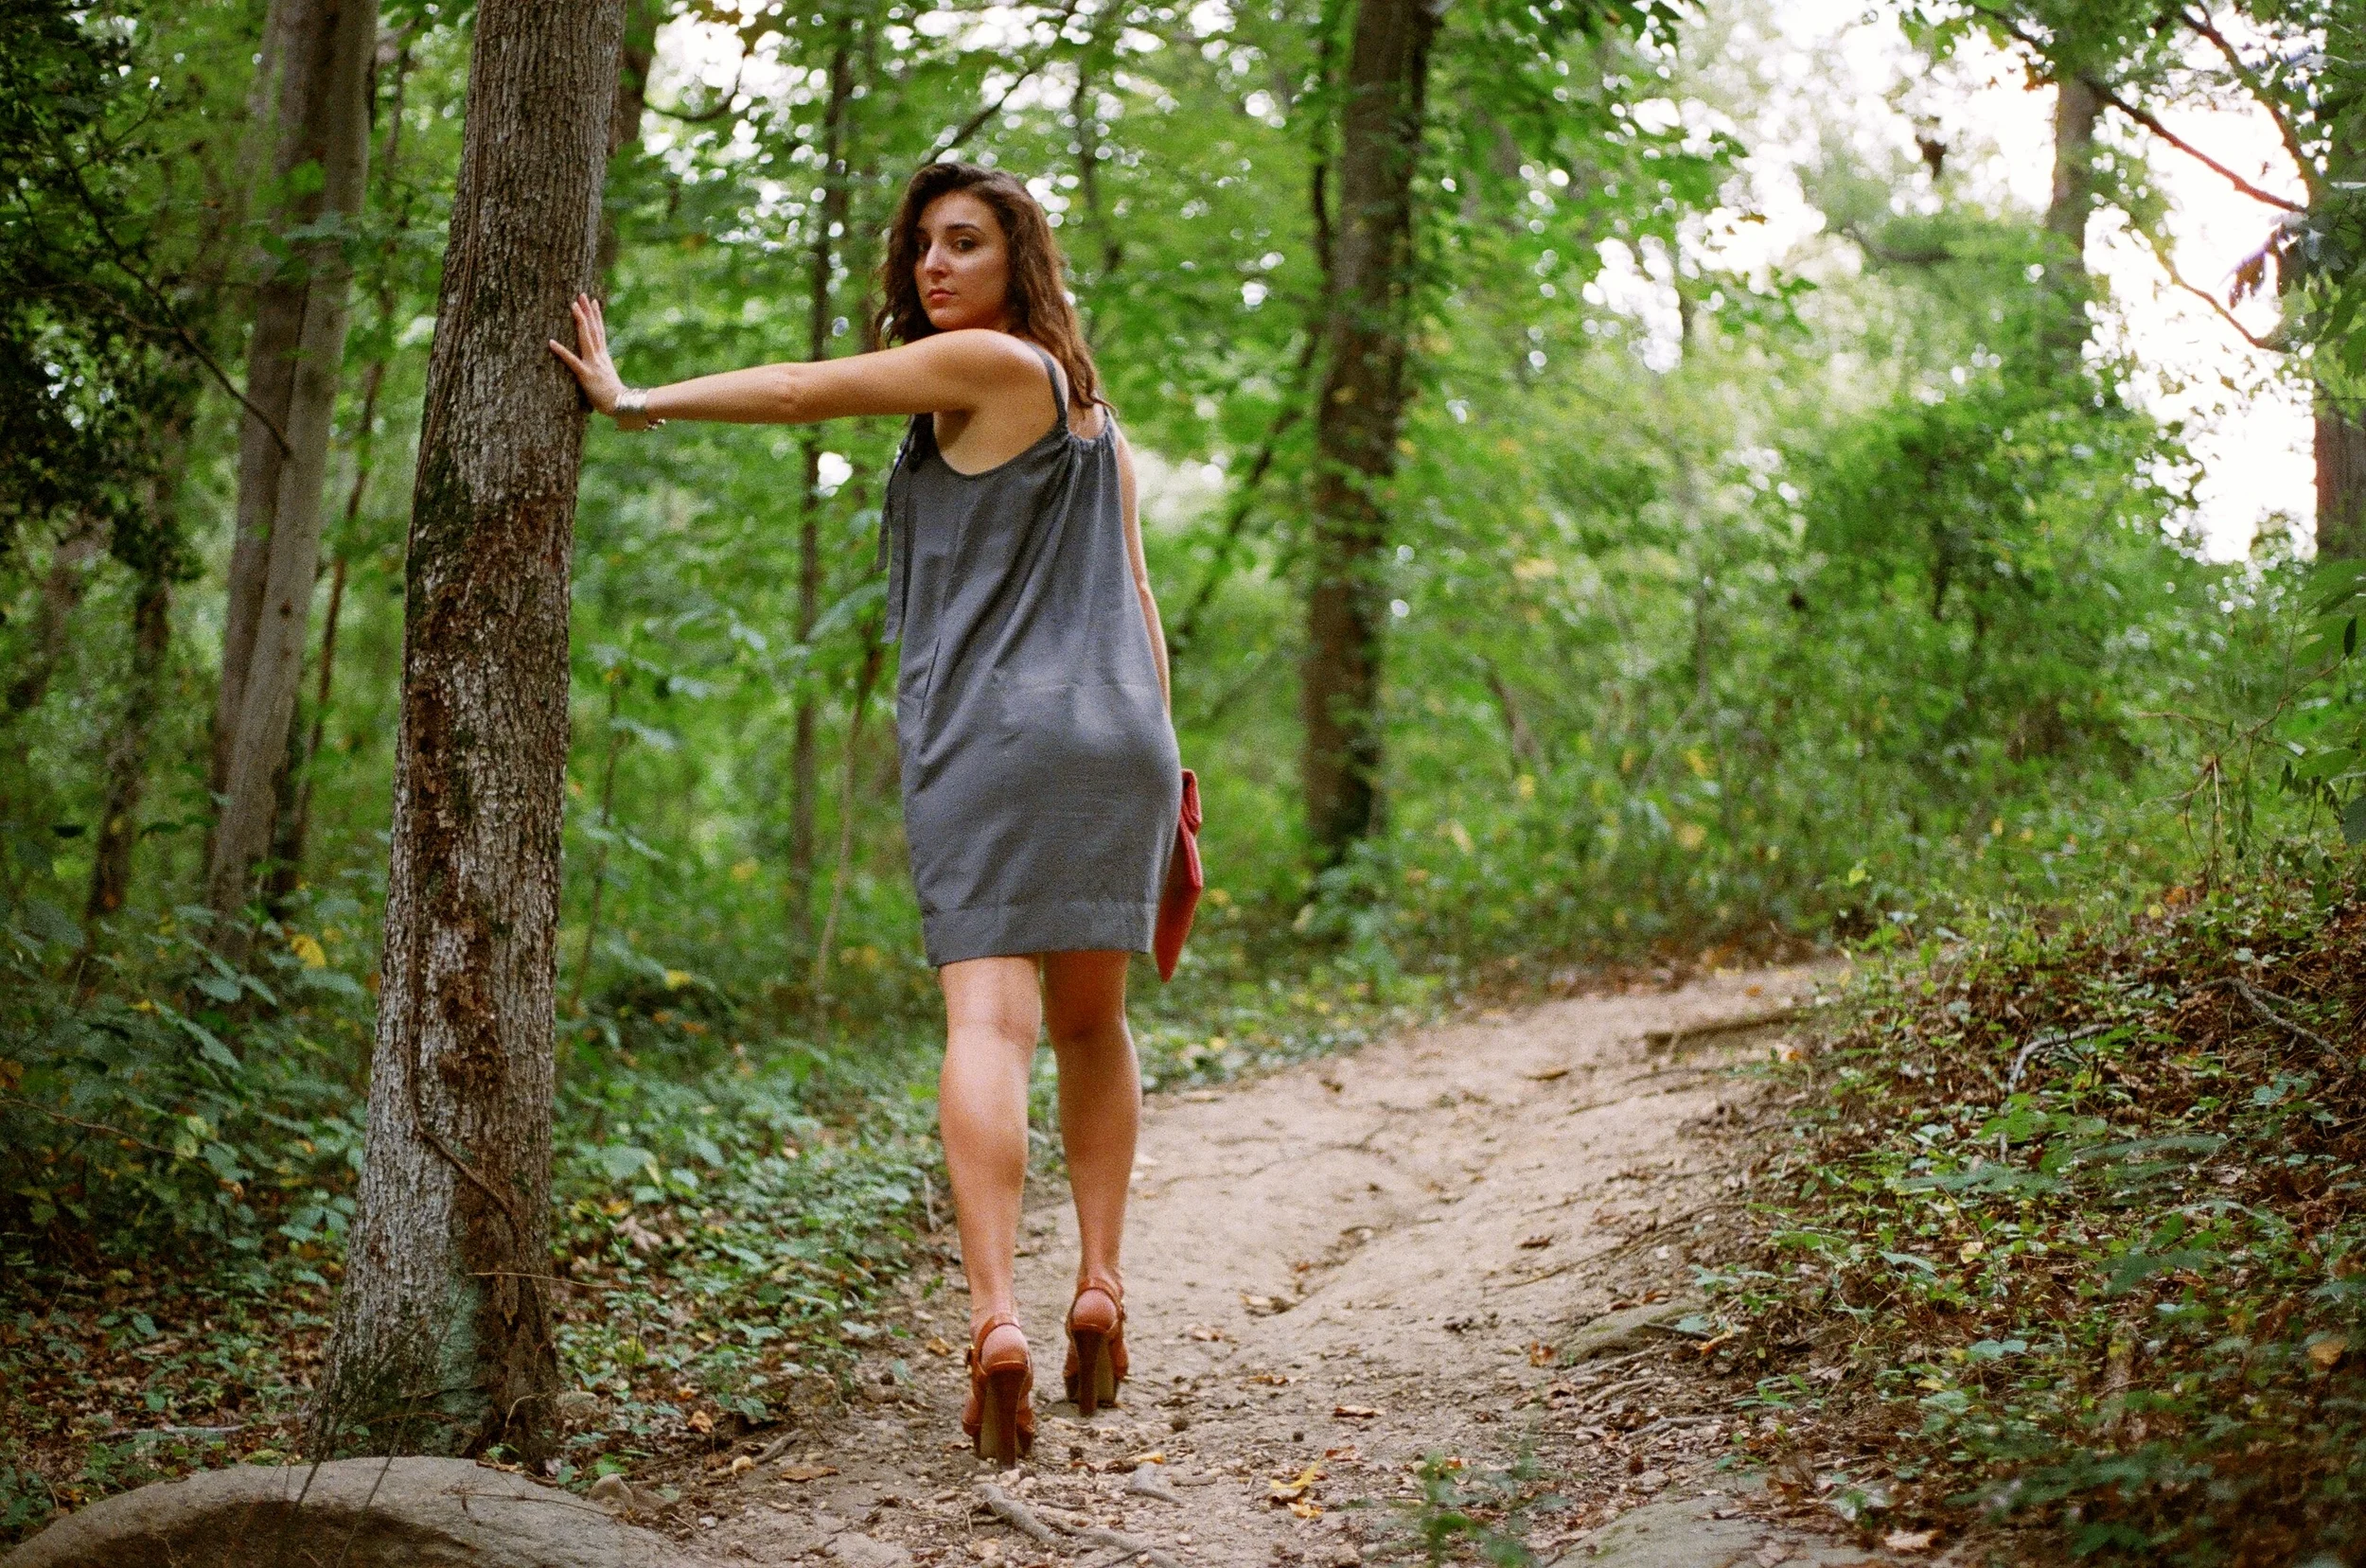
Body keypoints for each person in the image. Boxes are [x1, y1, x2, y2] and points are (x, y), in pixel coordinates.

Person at [550, 162, 1181, 1466]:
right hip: (1121, 737)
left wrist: (635, 398)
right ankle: (1102, 1286)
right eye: (924, 245)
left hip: (997, 739)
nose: (936, 266)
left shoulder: (989, 366)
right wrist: (1165, 769)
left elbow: (800, 390)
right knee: (1093, 1020)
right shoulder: (1097, 419)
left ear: (1019, 264)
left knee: (990, 1022)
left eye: (967, 243)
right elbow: (1138, 597)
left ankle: (998, 1318)